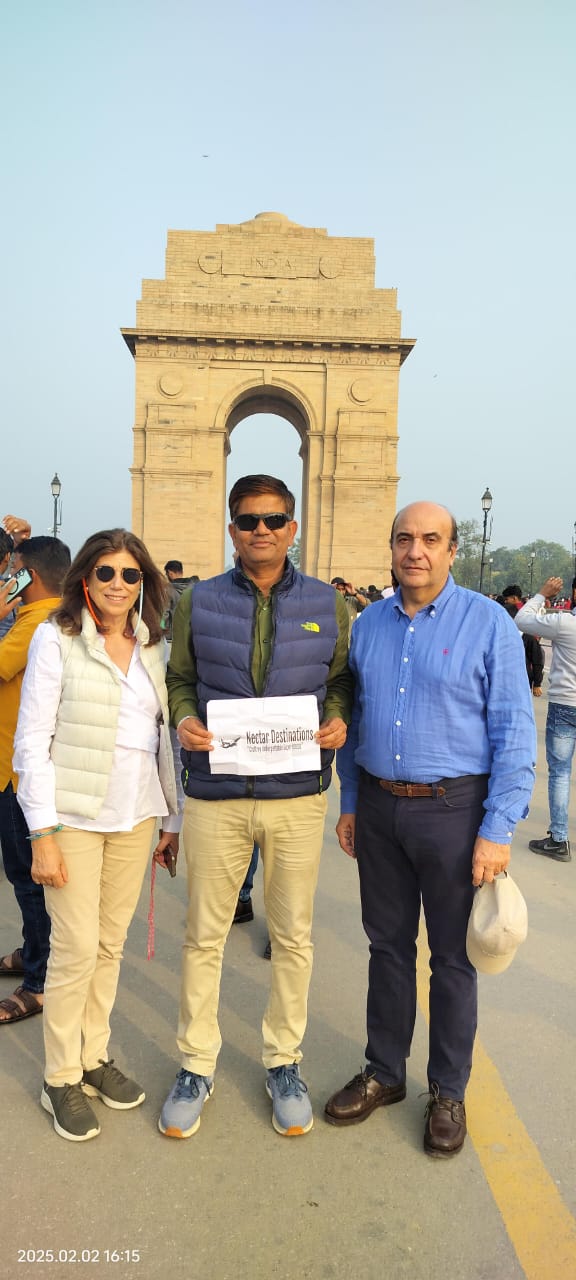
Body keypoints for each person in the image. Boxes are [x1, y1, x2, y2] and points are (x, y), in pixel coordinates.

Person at [324, 501, 535, 1158]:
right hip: (381, 810)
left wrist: (497, 830)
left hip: (454, 810)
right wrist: (351, 800)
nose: (416, 550)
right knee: (386, 948)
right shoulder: (369, 626)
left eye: (431, 539)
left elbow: (514, 733)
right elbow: (356, 721)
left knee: (451, 960)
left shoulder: (489, 624)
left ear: (450, 549)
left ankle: (447, 1089)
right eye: (404, 539)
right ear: (391, 547)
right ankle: (385, 1072)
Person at [160, 474, 352, 1140]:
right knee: (203, 937)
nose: (261, 530)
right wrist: (183, 719)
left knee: (294, 937)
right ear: (231, 528)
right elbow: (179, 679)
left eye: (273, 519)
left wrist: (337, 721)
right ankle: (195, 1064)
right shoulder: (196, 601)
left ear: (292, 528)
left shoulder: (330, 604)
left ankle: (283, 1062)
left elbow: (339, 685)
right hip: (216, 794)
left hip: (297, 798)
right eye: (248, 520)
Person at [13, 528, 180, 1142]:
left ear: (144, 585)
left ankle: (92, 1057)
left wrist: (171, 819)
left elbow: (160, 738)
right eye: (106, 573)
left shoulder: (152, 645)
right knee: (75, 949)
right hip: (73, 819)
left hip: (136, 817)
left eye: (130, 575)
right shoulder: (54, 640)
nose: (117, 585)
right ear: (85, 577)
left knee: (109, 946)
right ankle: (59, 1076)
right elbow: (30, 741)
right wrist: (42, 834)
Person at [0, 537, 71, 1024]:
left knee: (28, 880)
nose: (8, 576)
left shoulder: (38, 623)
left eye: (13, 570)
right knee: (24, 877)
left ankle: (40, 980)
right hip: (14, 768)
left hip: (20, 774)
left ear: (27, 573)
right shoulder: (40, 619)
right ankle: (33, 951)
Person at [516, 574, 576, 863]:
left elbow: (523, 620)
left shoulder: (565, 623)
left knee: (561, 773)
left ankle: (559, 838)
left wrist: (542, 594)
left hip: (566, 704)